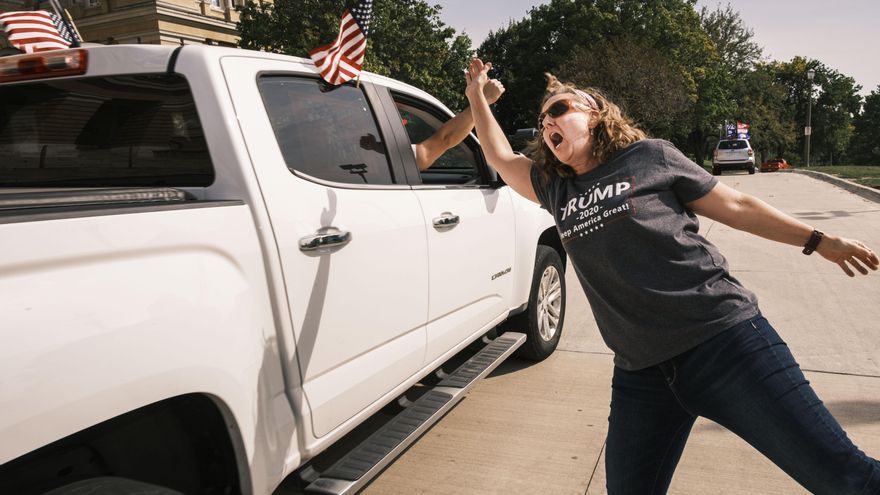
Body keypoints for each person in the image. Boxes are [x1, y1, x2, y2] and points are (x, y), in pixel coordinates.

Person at [463, 58, 880, 495]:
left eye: (560, 108)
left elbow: (737, 207)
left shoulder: (649, 157)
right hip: (642, 375)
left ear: (595, 113)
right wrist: (476, 93)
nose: (549, 120)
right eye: (543, 118)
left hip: (726, 345)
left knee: (844, 478)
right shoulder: (556, 189)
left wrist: (818, 240)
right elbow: (499, 155)